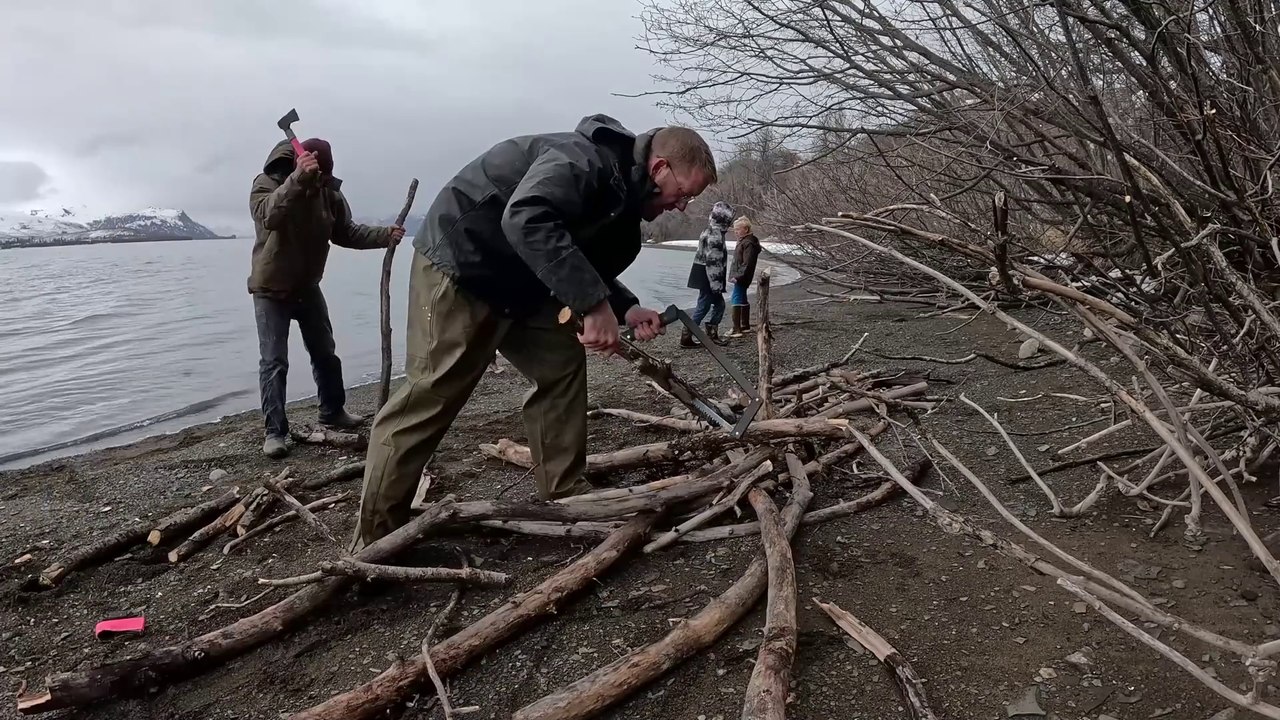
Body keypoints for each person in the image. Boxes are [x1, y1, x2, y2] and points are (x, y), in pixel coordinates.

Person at [352, 114, 716, 548]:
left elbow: (577, 256)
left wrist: (625, 306)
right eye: (683, 194)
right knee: (431, 394)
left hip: (521, 282)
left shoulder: (620, 199)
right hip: (462, 265)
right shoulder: (582, 161)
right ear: (659, 169)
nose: (681, 206)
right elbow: (527, 216)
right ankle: (373, 542)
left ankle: (565, 496)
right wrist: (592, 304)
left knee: (560, 367)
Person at [248, 138, 406, 459]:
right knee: (275, 362)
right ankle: (275, 432)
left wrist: (384, 235)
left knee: (325, 353)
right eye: (318, 175)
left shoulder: (329, 192)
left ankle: (332, 411)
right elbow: (268, 216)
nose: (321, 181)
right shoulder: (267, 183)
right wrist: (297, 180)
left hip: (307, 286)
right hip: (271, 289)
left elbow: (346, 231)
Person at [681, 201, 734, 348]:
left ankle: (697, 335)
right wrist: (716, 284)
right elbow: (713, 261)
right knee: (706, 305)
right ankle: (689, 335)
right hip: (708, 276)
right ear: (724, 219)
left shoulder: (708, 230)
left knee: (711, 304)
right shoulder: (716, 235)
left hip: (702, 274)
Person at [726, 215, 761, 337]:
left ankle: (736, 329)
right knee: (742, 298)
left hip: (742, 276)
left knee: (736, 298)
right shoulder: (745, 241)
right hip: (742, 276)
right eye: (735, 230)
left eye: (738, 230)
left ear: (745, 229)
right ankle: (745, 326)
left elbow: (747, 263)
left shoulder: (748, 243)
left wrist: (738, 276)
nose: (736, 232)